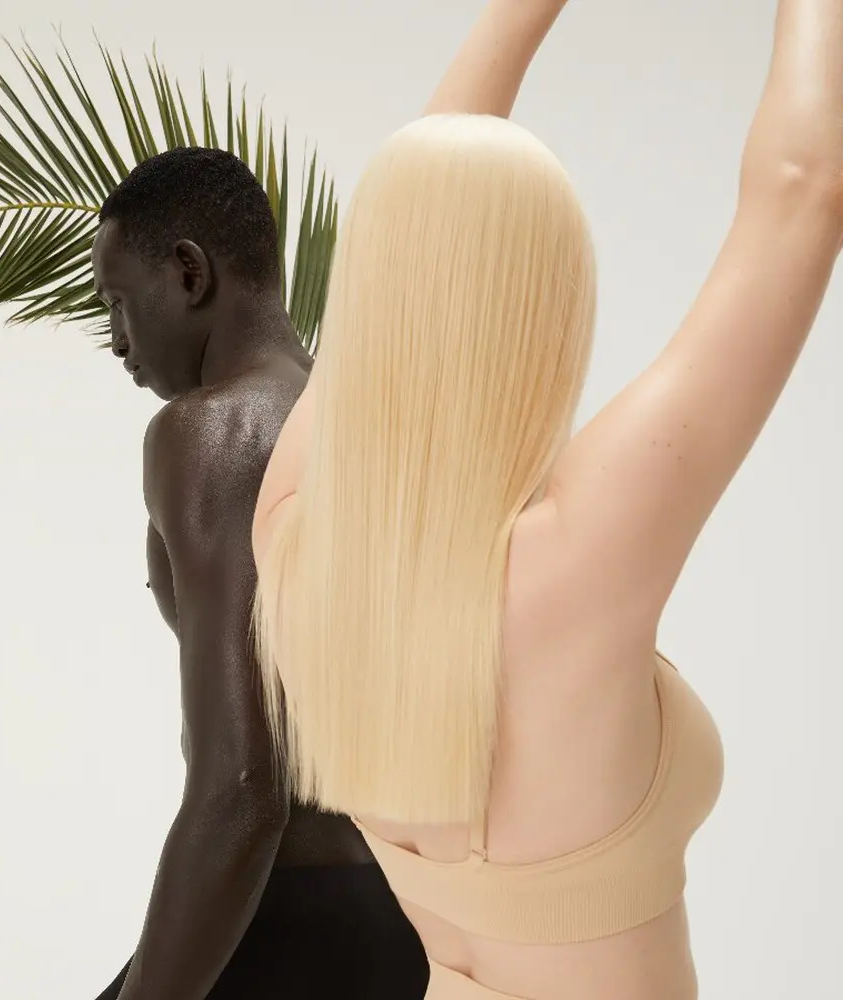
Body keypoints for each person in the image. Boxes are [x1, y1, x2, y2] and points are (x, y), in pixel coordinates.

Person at [251, 1, 843, 998]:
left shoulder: (293, 532)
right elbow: (802, 192)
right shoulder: (573, 556)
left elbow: (414, 224)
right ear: (552, 312)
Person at [86, 5, 572, 996]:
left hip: (285, 917)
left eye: (117, 302)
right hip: (408, 924)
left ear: (189, 272)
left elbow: (243, 786)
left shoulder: (209, 434)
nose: (118, 342)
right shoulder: (371, 421)